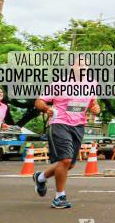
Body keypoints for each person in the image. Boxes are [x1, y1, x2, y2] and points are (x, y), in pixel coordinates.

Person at [32, 79, 100, 209]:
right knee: (66, 159)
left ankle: (40, 177)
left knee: (70, 164)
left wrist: (95, 108)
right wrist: (47, 108)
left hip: (79, 125)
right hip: (59, 122)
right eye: (79, 65)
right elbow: (39, 102)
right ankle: (59, 197)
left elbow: (93, 104)